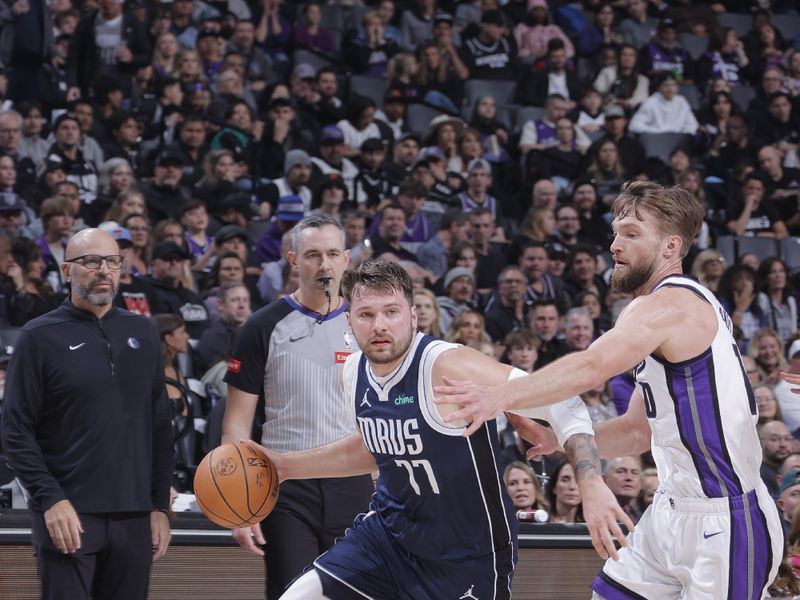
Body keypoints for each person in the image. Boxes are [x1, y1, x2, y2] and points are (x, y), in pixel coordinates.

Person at [435, 180, 784, 598]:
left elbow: (592, 365)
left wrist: (500, 396)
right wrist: (557, 438)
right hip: (671, 510)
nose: (615, 246)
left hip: (726, 518)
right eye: (616, 233)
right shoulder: (655, 315)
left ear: (671, 247)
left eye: (632, 235)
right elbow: (638, 429)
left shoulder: (671, 306)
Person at [248, 259, 626, 599]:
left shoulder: (448, 365)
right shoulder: (353, 370)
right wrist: (284, 466)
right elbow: (375, 448)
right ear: (349, 322)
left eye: (391, 312)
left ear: (413, 317)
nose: (379, 325)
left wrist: (591, 483)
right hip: (388, 538)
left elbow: (564, 403)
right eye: (366, 314)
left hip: (467, 556)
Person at [0, 228, 173, 600]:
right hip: (68, 516)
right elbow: (15, 431)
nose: (103, 271)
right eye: (90, 262)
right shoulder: (38, 337)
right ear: (66, 271)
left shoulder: (142, 332)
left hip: (134, 516)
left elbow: (160, 427)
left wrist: (159, 507)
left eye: (112, 262)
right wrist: (50, 499)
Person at [221, 214, 374, 600]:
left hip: (355, 482)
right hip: (285, 487)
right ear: (292, 260)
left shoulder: (369, 326)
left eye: (333, 254)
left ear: (347, 259)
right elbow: (236, 425)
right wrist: (241, 505)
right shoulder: (261, 326)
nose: (324, 264)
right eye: (312, 255)